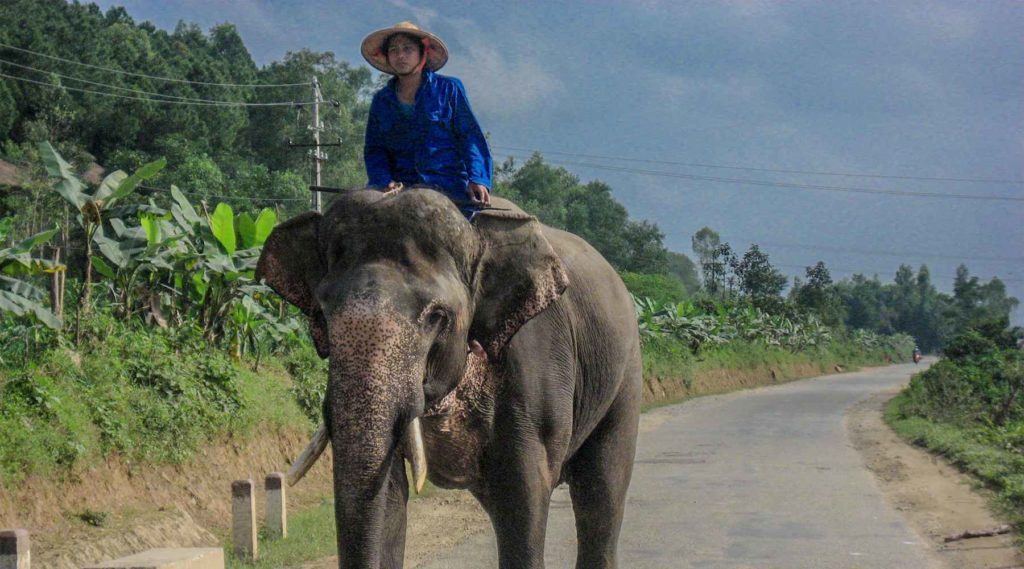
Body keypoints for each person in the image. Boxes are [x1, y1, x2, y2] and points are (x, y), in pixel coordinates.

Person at [361, 22, 492, 216]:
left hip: (448, 188)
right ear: (387, 56)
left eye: (408, 49)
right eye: (394, 50)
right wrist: (383, 180)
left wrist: (478, 178)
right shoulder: (381, 101)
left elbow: (469, 137)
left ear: (423, 53)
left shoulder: (449, 89)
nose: (400, 55)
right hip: (399, 191)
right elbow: (375, 149)